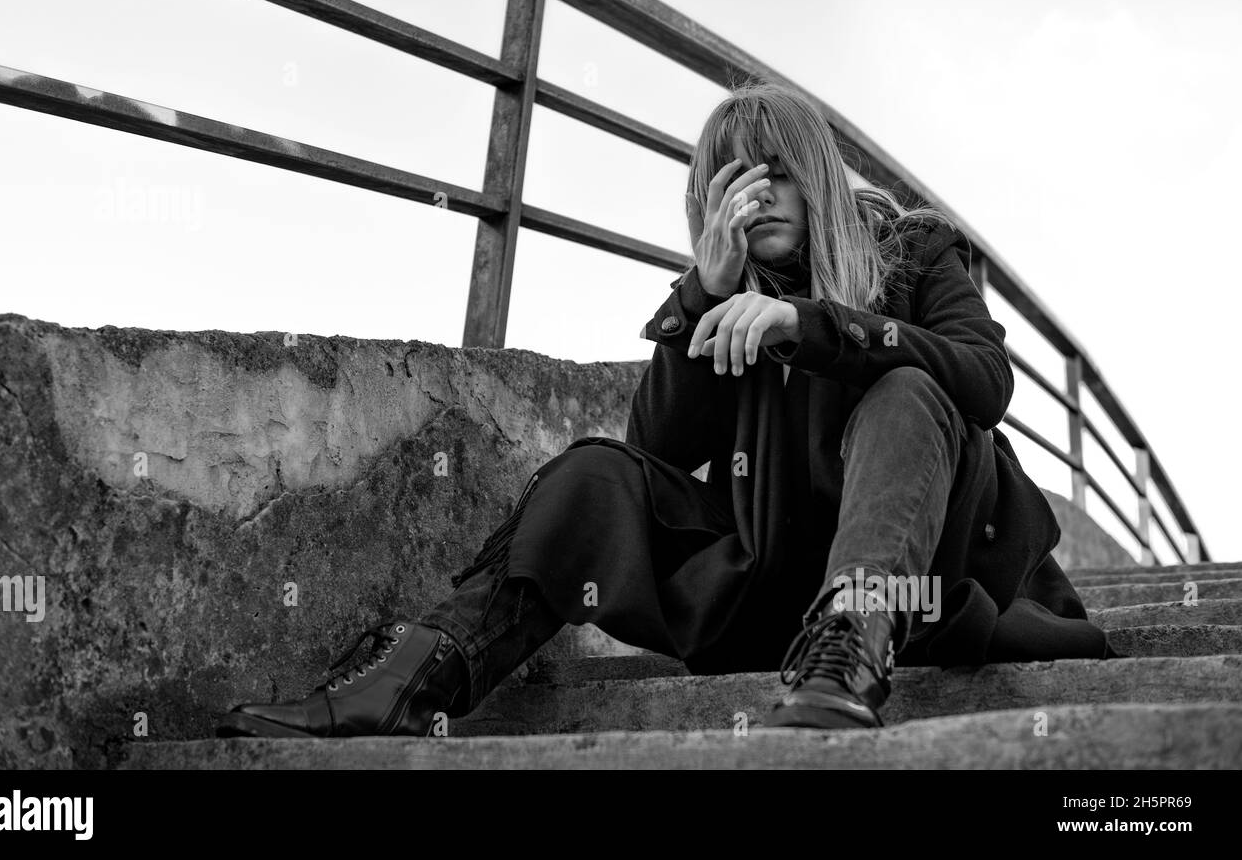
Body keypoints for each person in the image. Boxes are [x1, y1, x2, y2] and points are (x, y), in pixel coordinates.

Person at [216, 80, 1117, 740]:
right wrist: (703, 295)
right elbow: (652, 455)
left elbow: (986, 381)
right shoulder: (718, 303)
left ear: (816, 178)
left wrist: (814, 325)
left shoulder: (912, 254)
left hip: (923, 586)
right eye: (730, 184)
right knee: (591, 472)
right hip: (774, 597)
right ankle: (418, 679)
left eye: (772, 175)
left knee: (910, 385)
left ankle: (855, 637)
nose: (755, 199)